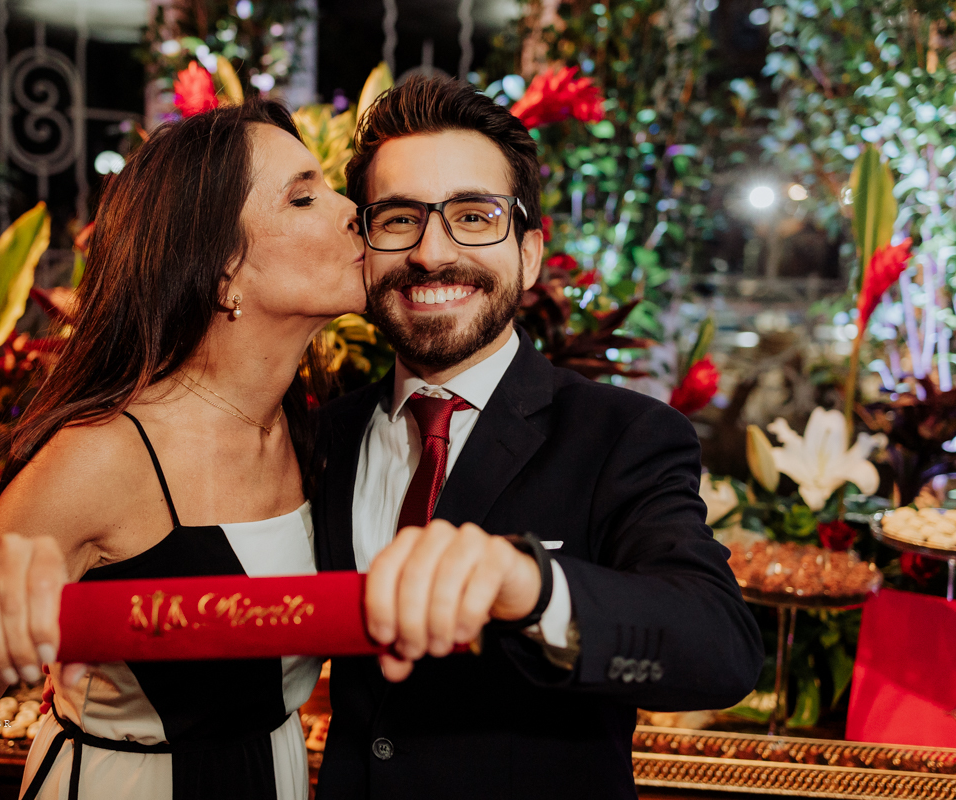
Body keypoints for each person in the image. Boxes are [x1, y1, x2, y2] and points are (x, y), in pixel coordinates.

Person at [0, 99, 366, 800]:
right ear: (222, 273)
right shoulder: (101, 460)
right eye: (303, 197)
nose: (350, 208)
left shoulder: (315, 433)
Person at [311, 77, 764, 799]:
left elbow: (720, 648)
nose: (431, 252)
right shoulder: (320, 436)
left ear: (528, 255)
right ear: (363, 246)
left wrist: (533, 588)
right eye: (399, 219)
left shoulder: (625, 435)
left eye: (473, 215)